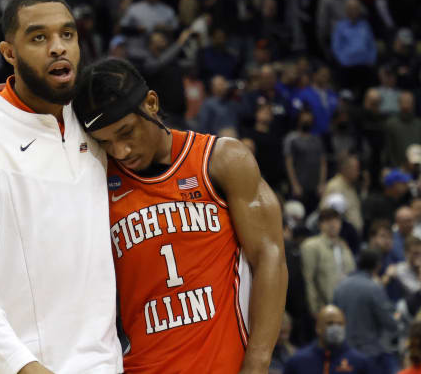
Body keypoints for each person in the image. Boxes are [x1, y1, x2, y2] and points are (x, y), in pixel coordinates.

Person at [0, 0, 123, 374]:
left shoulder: (92, 123)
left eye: (67, 35)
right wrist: (23, 366)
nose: (58, 48)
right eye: (39, 38)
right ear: (9, 52)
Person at [72, 57, 287, 372]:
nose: (121, 151)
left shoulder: (222, 160)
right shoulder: (97, 182)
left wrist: (256, 362)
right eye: (106, 142)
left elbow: (269, 255)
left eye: (126, 132)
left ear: (151, 103)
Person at [334, 249, 400, 374]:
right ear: (378, 266)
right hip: (370, 354)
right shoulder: (374, 288)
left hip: (344, 353)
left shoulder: (340, 287)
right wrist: (397, 317)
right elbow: (390, 322)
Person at [283, 305, 373, 374]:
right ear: (318, 327)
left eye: (340, 324)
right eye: (330, 324)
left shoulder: (359, 362)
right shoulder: (298, 361)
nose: (336, 328)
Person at [301, 208, 355, 317]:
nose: (332, 224)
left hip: (346, 304)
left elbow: (351, 274)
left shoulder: (344, 246)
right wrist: (315, 308)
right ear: (320, 224)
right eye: (327, 221)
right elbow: (308, 279)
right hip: (324, 305)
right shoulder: (311, 246)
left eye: (336, 220)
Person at [284, 109, 327, 214]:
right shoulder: (291, 138)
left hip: (314, 186)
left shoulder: (316, 139)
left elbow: (323, 163)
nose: (307, 122)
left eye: (309, 120)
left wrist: (322, 184)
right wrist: (294, 184)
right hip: (299, 185)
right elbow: (289, 163)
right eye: (304, 119)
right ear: (299, 120)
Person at [322, 154, 364, 234]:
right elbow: (328, 214)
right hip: (342, 235)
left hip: (354, 234)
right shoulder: (335, 186)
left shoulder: (350, 186)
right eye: (356, 169)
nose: (358, 172)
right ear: (346, 169)